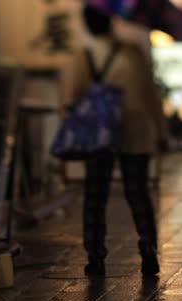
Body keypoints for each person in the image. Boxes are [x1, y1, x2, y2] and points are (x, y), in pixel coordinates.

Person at [73, 5, 169, 276]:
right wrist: (162, 133)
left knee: (95, 195)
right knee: (138, 192)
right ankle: (148, 248)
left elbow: (75, 97)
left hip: (98, 134)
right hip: (136, 131)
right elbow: (152, 95)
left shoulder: (84, 57)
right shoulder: (134, 53)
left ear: (88, 25)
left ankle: (95, 256)